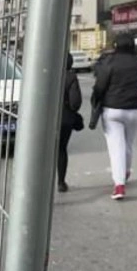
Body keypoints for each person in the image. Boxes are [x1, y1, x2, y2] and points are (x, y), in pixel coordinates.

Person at [91, 33, 137, 200]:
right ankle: (126, 171)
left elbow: (100, 85)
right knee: (128, 144)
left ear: (116, 45)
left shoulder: (110, 62)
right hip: (134, 110)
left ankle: (119, 185)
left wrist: (96, 99)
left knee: (116, 147)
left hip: (112, 110)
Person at [57, 53, 82, 193]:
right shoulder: (71, 77)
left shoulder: (44, 75)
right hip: (64, 119)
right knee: (61, 149)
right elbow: (75, 103)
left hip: (45, 120)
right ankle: (61, 182)